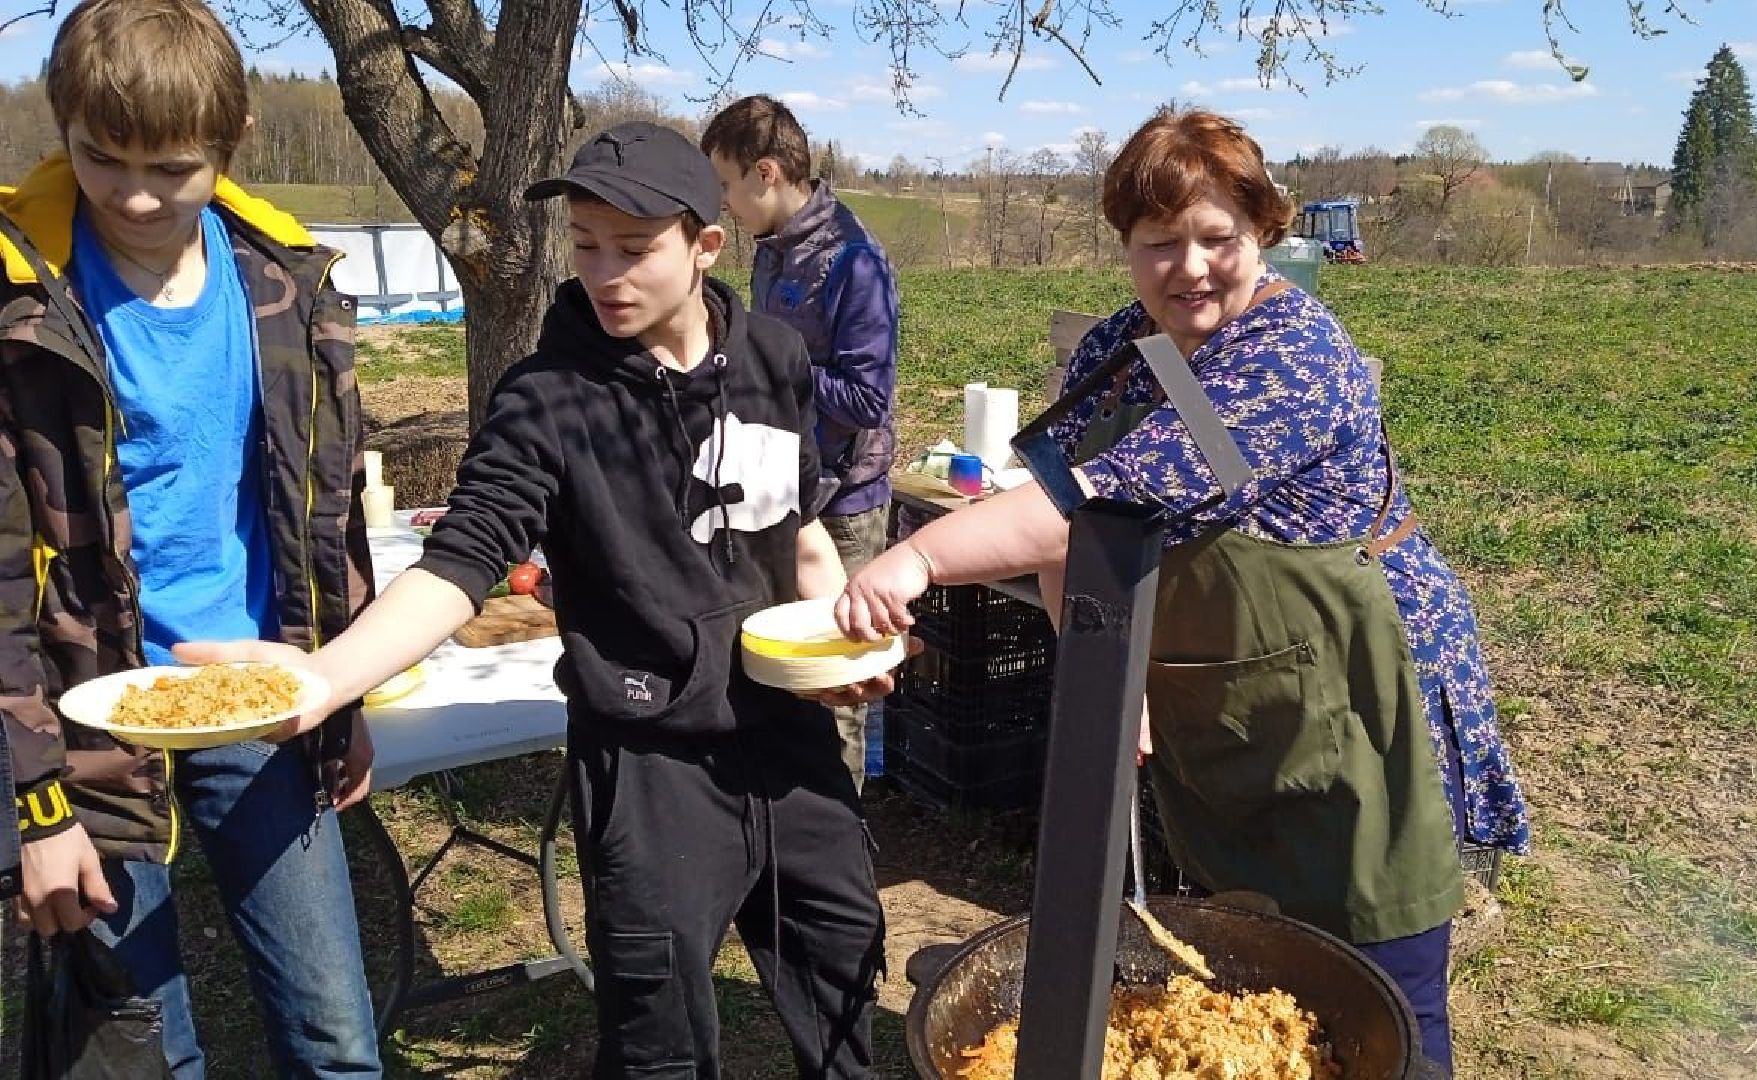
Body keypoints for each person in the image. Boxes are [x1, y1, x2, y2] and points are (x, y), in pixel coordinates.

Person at [184, 121, 891, 1079]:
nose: (606, 274)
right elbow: (460, 561)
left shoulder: (774, 358)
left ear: (706, 245)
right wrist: (326, 676)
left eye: (634, 248)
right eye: (587, 245)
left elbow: (798, 534)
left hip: (788, 738)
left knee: (843, 974)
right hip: (649, 758)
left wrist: (848, 646)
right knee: (658, 1041)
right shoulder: (546, 399)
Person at [834, 107, 1531, 1075]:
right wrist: (1108, 672)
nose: (1190, 267)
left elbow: (1089, 504)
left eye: (1218, 239)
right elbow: (1076, 527)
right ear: (1126, 244)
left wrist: (916, 559)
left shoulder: (1289, 356)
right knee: (1247, 946)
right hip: (1236, 683)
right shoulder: (1124, 350)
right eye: (1161, 242)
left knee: (1379, 971)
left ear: (1264, 233)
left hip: (1360, 688)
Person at [0, 0, 382, 1074]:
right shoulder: (21, 302)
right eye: (101, 158)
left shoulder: (287, 283)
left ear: (233, 139)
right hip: (87, 722)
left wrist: (342, 691)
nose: (134, 197)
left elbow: (325, 509)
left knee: (337, 1039)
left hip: (256, 694)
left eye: (171, 169)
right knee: (143, 1053)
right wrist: (34, 808)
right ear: (63, 126)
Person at [701, 96, 900, 793]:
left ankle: (839, 826)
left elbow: (869, 399)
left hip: (843, 505)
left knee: (836, 683)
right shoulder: (772, 252)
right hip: (778, 492)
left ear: (765, 173)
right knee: (785, 674)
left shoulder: (854, 262)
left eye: (727, 185)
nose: (725, 205)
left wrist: (775, 367)